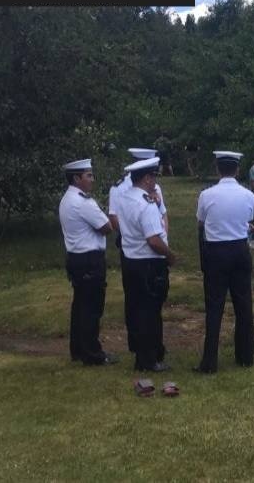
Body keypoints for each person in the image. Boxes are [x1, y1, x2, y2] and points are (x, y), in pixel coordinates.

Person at [194, 151, 254, 374]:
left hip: (216, 251)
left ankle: (209, 361)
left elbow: (201, 222)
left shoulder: (206, 195)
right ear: (237, 169)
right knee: (244, 304)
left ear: (217, 169)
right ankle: (246, 355)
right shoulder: (248, 195)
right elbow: (248, 220)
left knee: (214, 306)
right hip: (240, 249)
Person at [117, 157, 176, 372]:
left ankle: (141, 353)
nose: (154, 182)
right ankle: (150, 358)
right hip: (149, 264)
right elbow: (153, 240)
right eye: (153, 177)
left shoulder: (124, 198)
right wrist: (170, 255)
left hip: (131, 260)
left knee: (136, 309)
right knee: (151, 312)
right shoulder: (146, 204)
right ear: (146, 178)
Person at [108, 147, 168, 354]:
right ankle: (144, 348)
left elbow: (162, 214)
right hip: (141, 254)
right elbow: (115, 219)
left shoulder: (140, 192)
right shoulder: (122, 190)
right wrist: (167, 252)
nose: (155, 179)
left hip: (138, 251)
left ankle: (146, 346)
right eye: (153, 173)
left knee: (145, 303)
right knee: (142, 304)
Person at [58, 159, 116, 366]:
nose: (92, 179)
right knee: (91, 308)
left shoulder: (67, 199)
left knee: (80, 306)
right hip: (89, 259)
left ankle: (78, 350)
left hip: (76, 258)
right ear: (76, 178)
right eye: (88, 175)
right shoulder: (83, 203)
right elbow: (106, 227)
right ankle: (92, 354)